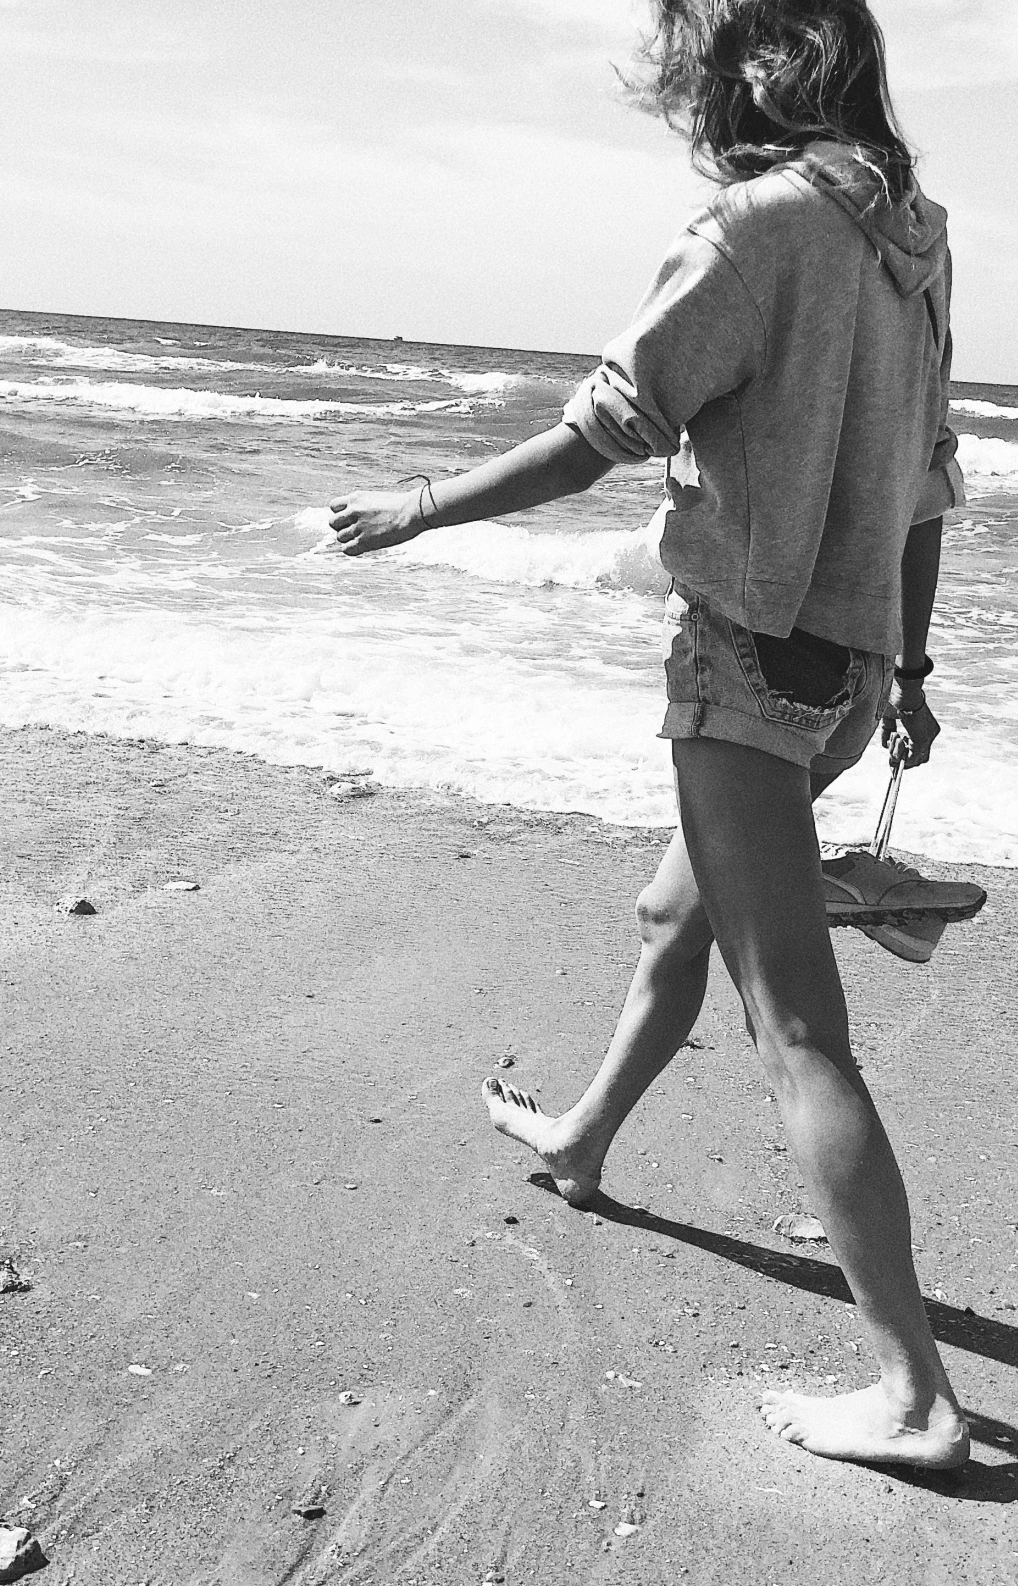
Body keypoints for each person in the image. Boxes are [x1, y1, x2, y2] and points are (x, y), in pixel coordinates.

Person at [328, 0, 974, 1470]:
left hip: (742, 670)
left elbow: (600, 431)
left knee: (800, 1027)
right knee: (674, 911)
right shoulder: (918, 239)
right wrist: (909, 667)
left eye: (713, 62)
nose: (701, 96)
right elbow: (928, 479)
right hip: (845, 675)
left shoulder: (756, 232)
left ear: (763, 63)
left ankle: (916, 1390)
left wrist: (420, 506)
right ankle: (583, 1137)